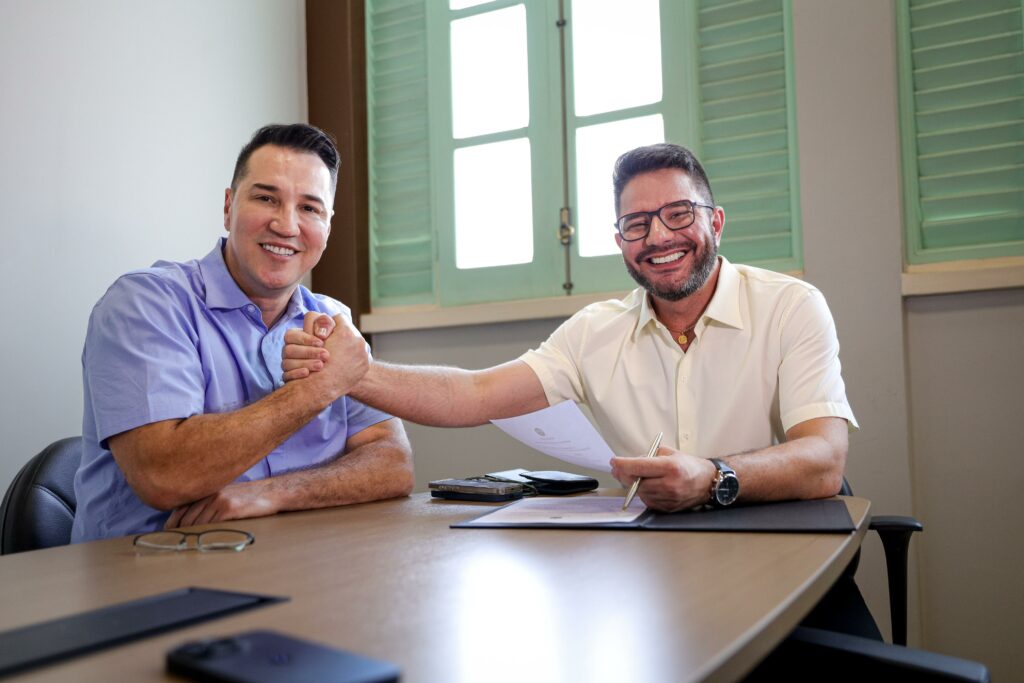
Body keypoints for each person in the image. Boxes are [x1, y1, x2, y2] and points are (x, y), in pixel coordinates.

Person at [284, 142, 855, 514]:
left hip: (778, 536)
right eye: (637, 224)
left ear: (716, 222)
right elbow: (473, 394)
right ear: (619, 243)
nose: (659, 237)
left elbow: (824, 460)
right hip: (657, 559)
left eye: (679, 215)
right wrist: (352, 374)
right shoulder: (593, 333)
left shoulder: (790, 306)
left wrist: (711, 477)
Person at [71, 124, 413, 542]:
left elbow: (393, 464)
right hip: (147, 572)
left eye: (310, 208)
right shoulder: (145, 304)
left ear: (328, 225)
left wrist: (271, 494)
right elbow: (165, 475)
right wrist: (320, 388)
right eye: (266, 198)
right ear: (229, 206)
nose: (287, 225)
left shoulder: (332, 319)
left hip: (293, 565)